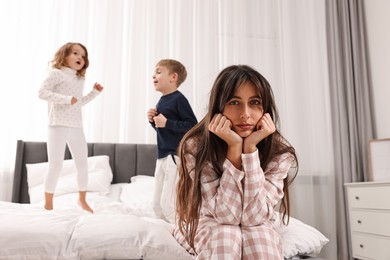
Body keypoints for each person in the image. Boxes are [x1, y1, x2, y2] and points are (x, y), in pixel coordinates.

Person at [174, 65, 298, 259]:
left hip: (257, 225)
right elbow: (226, 216)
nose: (245, 114)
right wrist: (234, 149)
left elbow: (254, 218)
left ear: (265, 109)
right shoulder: (196, 147)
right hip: (208, 221)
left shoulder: (279, 152)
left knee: (260, 237)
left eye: (255, 102)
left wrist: (249, 152)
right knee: (226, 234)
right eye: (234, 102)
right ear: (218, 107)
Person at [38, 42, 104, 213]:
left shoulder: (79, 79)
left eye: (83, 56)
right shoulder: (55, 74)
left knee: (82, 164)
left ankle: (82, 200)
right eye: (75, 53)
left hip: (76, 126)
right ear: (64, 55)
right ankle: (48, 203)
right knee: (55, 165)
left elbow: (78, 103)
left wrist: (94, 93)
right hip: (57, 125)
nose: (80, 58)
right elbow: (42, 93)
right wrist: (66, 99)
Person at [147, 59, 198, 223]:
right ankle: (163, 234)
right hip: (162, 155)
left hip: (174, 156)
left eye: (158, 71)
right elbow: (164, 131)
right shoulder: (162, 100)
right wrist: (153, 121)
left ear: (173, 77)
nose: (153, 75)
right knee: (156, 205)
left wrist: (167, 122)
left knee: (167, 204)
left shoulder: (178, 99)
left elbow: (193, 126)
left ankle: (179, 233)